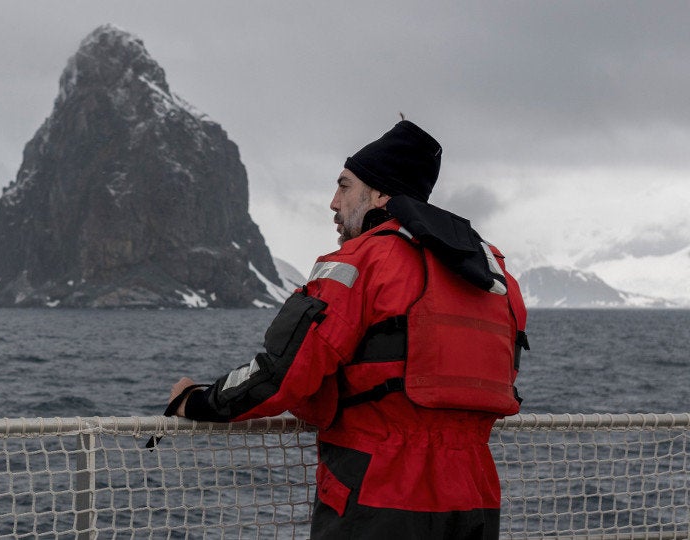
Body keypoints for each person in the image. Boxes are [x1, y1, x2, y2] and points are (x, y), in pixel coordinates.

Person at [167, 119, 529, 539]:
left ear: (379, 194)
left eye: (344, 186)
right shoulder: (492, 273)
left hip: (378, 497)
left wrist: (194, 401)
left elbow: (281, 373)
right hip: (474, 499)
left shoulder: (359, 263)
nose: (333, 203)